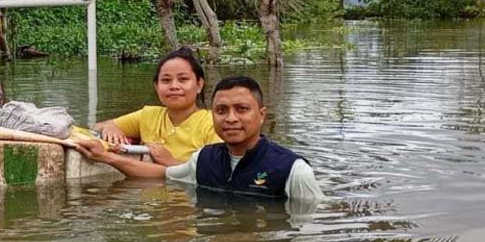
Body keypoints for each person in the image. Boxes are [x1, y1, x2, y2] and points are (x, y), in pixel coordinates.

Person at [76, 75, 322, 202]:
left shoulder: (292, 170)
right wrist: (106, 157)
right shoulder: (204, 160)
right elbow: (159, 175)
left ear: (261, 115)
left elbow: (312, 223)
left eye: (242, 109)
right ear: (213, 115)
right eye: (222, 111)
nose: (231, 118)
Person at [94, 47, 219, 165]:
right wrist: (110, 127)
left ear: (199, 84)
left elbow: (217, 173)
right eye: (166, 80)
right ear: (156, 86)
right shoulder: (148, 116)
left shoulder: (213, 123)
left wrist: (172, 163)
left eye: (183, 79)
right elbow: (97, 127)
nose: (174, 86)